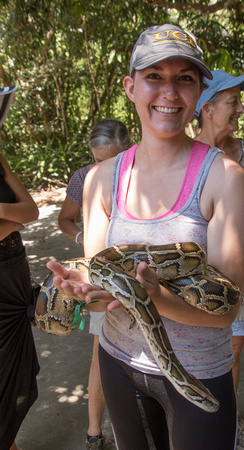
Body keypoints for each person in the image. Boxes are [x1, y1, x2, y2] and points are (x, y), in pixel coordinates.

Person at [47, 24, 244, 450]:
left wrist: (152, 296)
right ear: (130, 86)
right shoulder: (100, 180)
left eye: (185, 79)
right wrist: (82, 290)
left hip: (199, 370)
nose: (169, 93)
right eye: (154, 76)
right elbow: (106, 288)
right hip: (118, 363)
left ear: (199, 91)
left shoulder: (225, 179)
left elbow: (224, 308)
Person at [194, 70, 244, 449]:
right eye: (233, 102)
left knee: (235, 347)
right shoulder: (185, 152)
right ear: (207, 109)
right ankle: (192, 416)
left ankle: (226, 414)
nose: (241, 109)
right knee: (194, 346)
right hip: (196, 277)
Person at [58, 119, 131, 450]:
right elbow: (65, 218)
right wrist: (82, 237)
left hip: (137, 274)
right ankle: (93, 431)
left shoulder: (141, 172)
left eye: (111, 160)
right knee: (102, 352)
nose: (103, 168)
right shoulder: (82, 177)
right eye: (98, 160)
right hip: (102, 276)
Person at [0, 86, 40, 450]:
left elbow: (32, 211)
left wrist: (2, 212)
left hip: (13, 279)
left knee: (18, 375)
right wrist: (14, 220)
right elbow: (22, 217)